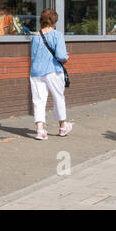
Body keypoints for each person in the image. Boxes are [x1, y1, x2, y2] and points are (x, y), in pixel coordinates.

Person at [29, 8, 71, 140]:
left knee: (39, 101)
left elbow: (33, 56)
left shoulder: (35, 37)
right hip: (53, 70)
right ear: (54, 21)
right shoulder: (57, 35)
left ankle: (40, 130)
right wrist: (66, 58)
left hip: (36, 72)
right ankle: (63, 127)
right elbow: (61, 56)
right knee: (58, 97)